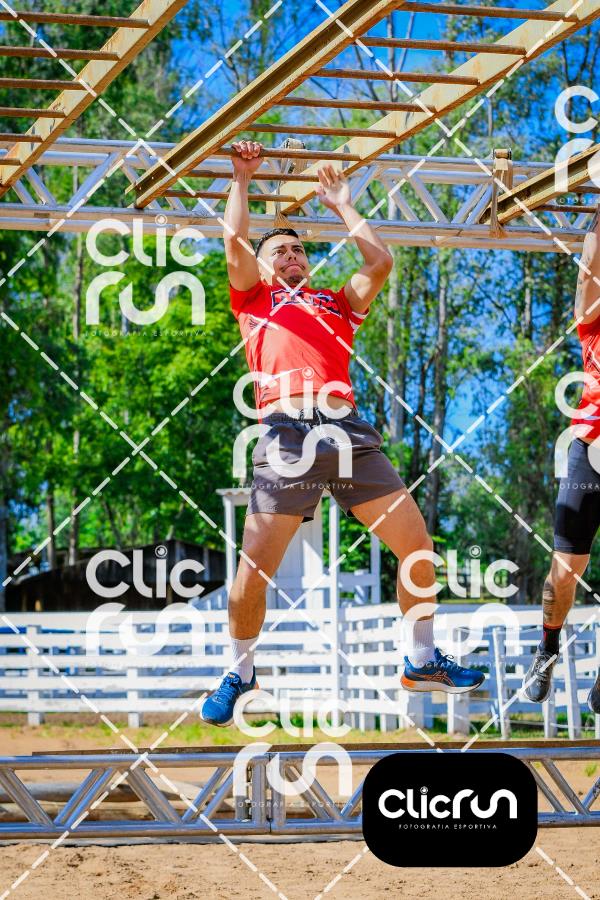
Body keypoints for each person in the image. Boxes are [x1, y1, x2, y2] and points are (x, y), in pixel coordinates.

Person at [201, 140, 484, 726]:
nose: (291, 256)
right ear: (263, 264)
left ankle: (421, 659)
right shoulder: (254, 300)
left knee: (418, 547)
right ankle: (240, 671)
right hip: (286, 434)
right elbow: (234, 242)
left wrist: (342, 205)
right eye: (279, 251)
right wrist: (242, 179)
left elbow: (379, 264)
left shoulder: (335, 304)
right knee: (253, 571)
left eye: (298, 250)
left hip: (347, 432)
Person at [523, 211, 600, 714]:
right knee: (565, 569)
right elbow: (589, 267)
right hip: (591, 450)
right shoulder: (593, 324)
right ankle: (547, 648)